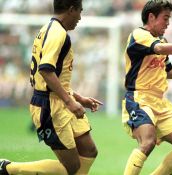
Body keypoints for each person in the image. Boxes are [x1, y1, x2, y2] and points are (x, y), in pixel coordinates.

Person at [0, 0, 103, 174]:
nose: (80, 17)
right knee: (71, 167)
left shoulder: (48, 29)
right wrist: (70, 102)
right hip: (49, 105)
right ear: (71, 10)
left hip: (58, 99)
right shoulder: (58, 33)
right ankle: (8, 168)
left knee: (89, 151)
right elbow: (46, 70)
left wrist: (78, 98)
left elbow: (54, 75)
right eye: (79, 11)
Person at [122, 0, 172, 175]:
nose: (168, 23)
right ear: (151, 17)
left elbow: (169, 70)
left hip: (159, 103)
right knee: (148, 142)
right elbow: (160, 49)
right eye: (165, 18)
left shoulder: (161, 40)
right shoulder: (139, 35)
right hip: (139, 99)